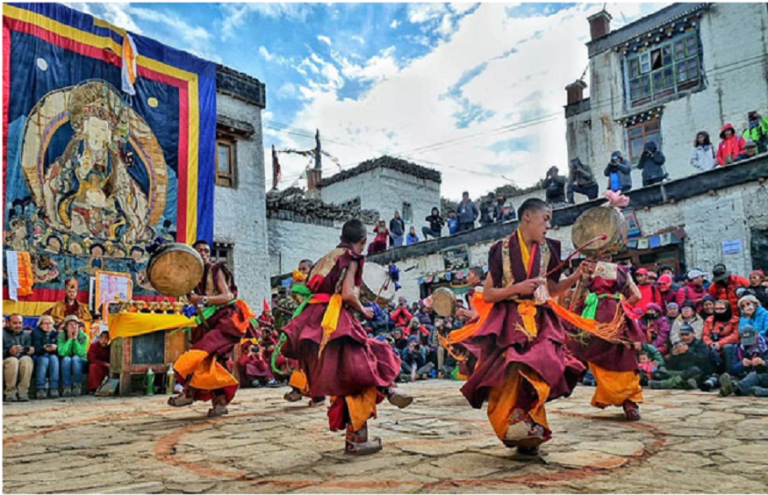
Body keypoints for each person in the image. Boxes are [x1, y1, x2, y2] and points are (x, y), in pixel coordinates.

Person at [444, 198, 585, 456]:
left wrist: (574, 278)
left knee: (542, 365)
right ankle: (516, 423)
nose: (549, 225)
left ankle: (526, 423)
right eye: (546, 218)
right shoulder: (501, 250)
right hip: (510, 319)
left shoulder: (550, 249)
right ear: (528, 217)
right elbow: (488, 295)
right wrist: (516, 289)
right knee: (512, 370)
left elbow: (551, 289)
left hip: (540, 318)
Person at [280, 219, 413, 455]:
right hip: (335, 319)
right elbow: (348, 294)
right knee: (361, 368)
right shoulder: (351, 258)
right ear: (362, 241)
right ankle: (365, 427)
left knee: (351, 371)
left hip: (315, 320)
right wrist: (364, 310)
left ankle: (385, 394)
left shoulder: (326, 257)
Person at [168, 239, 254, 418]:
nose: (204, 254)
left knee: (201, 354)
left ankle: (191, 394)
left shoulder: (215, 270)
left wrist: (201, 299)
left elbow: (226, 296)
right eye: (199, 251)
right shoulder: (190, 277)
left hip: (225, 319)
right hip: (207, 320)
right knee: (212, 361)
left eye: (207, 251)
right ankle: (215, 401)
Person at [569, 253, 645, 420]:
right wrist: (620, 307)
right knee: (624, 356)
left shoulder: (589, 270)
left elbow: (575, 301)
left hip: (594, 318)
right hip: (617, 319)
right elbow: (637, 296)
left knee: (596, 355)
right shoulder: (621, 271)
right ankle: (628, 401)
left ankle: (613, 396)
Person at [648, 324, 712, 390]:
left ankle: (663, 384)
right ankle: (685, 384)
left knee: (693, 370)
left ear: (693, 334)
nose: (684, 337)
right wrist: (673, 356)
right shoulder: (677, 345)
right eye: (682, 335)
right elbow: (672, 366)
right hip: (680, 372)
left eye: (687, 334)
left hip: (695, 373)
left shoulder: (701, 345)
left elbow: (703, 361)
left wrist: (687, 352)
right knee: (658, 373)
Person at [719, 325, 768, 397]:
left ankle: (735, 388)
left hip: (763, 374)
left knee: (754, 376)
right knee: (733, 378)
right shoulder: (738, 348)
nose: (750, 344)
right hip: (745, 376)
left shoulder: (766, 345)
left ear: (756, 335)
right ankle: (751, 389)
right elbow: (732, 369)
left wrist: (763, 362)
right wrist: (741, 364)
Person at [702, 299, 740, 373]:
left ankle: (729, 373)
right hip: (712, 343)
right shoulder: (709, 319)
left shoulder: (735, 320)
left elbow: (735, 336)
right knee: (704, 347)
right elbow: (705, 335)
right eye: (716, 309)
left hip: (727, 343)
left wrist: (720, 343)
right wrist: (710, 343)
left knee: (727, 348)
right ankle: (709, 373)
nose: (719, 311)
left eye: (721, 309)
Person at [3, 314, 34, 402]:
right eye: (15, 323)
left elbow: (27, 348)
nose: (18, 326)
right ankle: (10, 393)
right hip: (5, 359)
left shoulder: (26, 334)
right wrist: (9, 351)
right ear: (8, 323)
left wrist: (30, 350)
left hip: (20, 358)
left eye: (20, 323)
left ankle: (23, 392)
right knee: (13, 361)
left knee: (27, 360)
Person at [57, 315, 89, 397]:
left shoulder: (84, 336)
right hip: (67, 359)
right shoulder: (61, 336)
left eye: (76, 324)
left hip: (81, 360)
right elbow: (62, 353)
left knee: (75, 359)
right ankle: (66, 387)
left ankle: (77, 386)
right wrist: (70, 339)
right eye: (71, 324)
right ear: (66, 327)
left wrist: (75, 339)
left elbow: (80, 353)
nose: (74, 326)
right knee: (66, 359)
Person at [32, 315, 59, 399]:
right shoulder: (36, 333)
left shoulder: (56, 333)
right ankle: (40, 388)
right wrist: (44, 349)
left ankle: (54, 388)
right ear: (40, 325)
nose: (48, 326)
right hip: (39, 355)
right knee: (44, 359)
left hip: (52, 355)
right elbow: (35, 348)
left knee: (54, 359)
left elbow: (60, 349)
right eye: (45, 323)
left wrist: (55, 348)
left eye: (50, 323)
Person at [87, 329, 111, 393]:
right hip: (97, 365)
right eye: (102, 338)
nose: (103, 340)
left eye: (106, 338)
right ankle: (93, 388)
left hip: (107, 366)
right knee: (93, 367)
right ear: (99, 338)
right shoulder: (94, 346)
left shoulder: (109, 348)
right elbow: (92, 359)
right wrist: (104, 364)